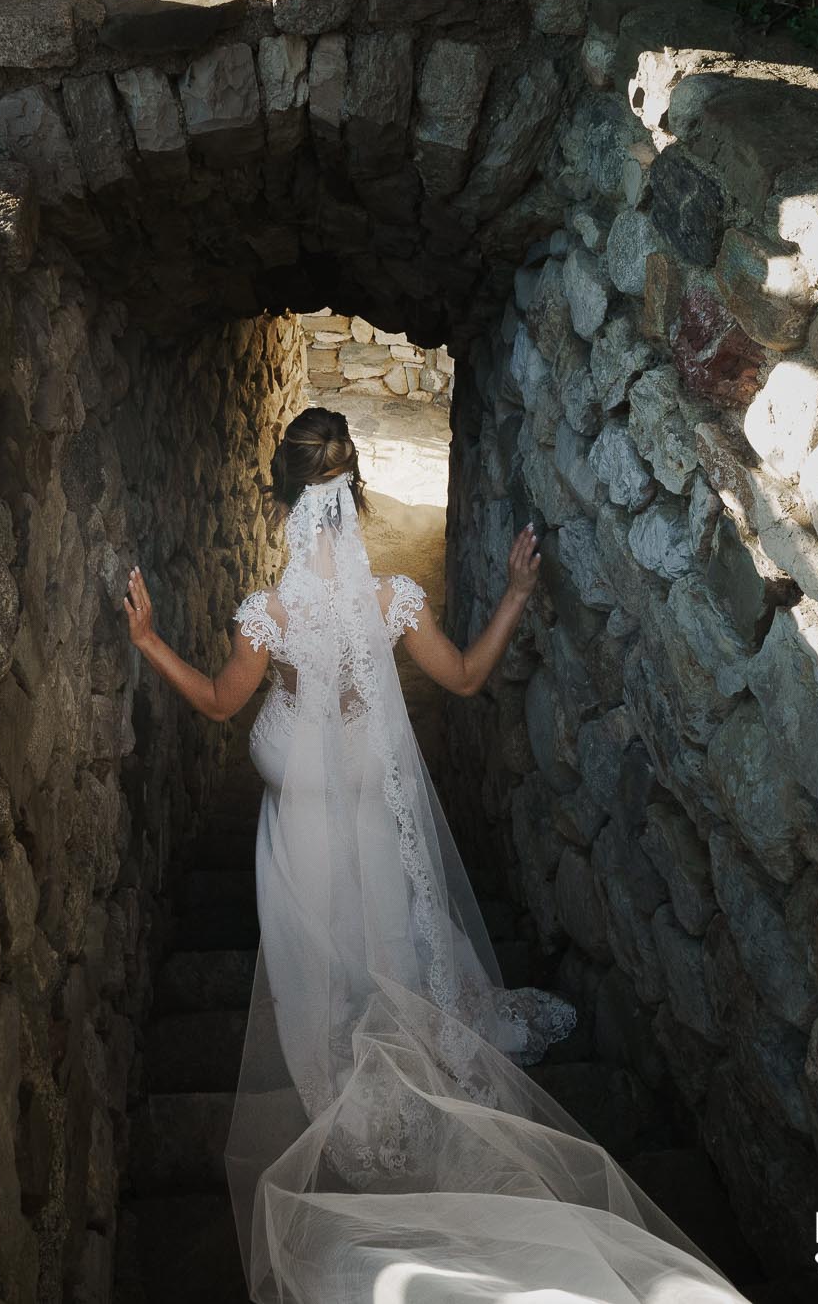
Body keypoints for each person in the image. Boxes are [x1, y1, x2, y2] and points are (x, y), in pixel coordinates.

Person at [123, 407, 742, 1303]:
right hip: (377, 828)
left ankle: (347, 1080)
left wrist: (146, 642)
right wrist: (517, 594)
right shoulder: (392, 601)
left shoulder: (271, 615)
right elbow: (461, 677)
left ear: (285, 501)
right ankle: (410, 1055)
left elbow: (222, 703)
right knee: (396, 950)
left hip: (300, 839)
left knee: (321, 977)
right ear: (355, 493)